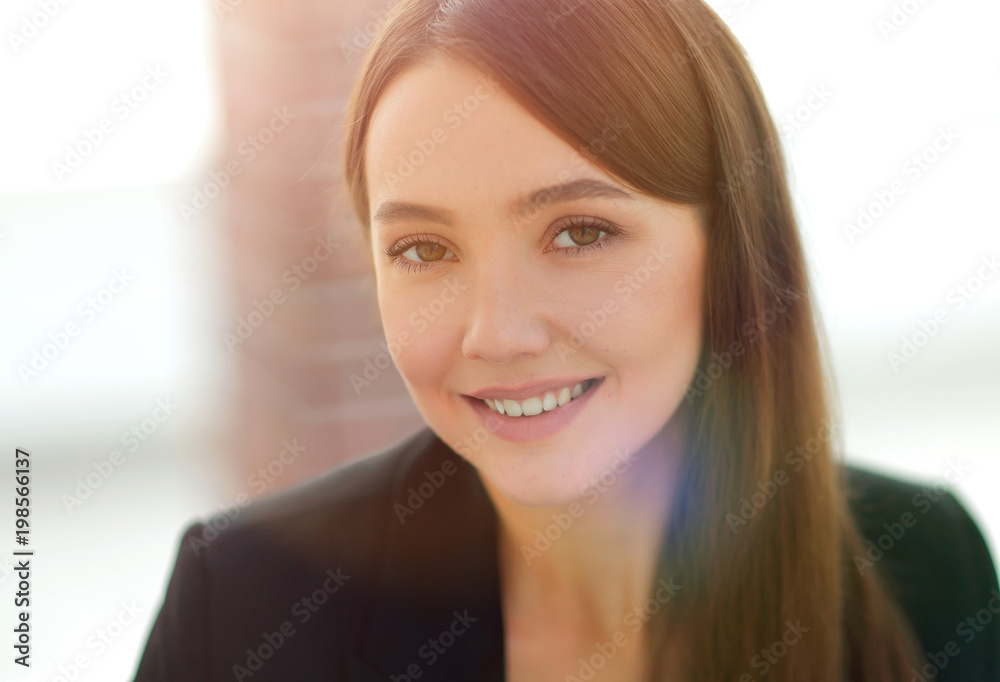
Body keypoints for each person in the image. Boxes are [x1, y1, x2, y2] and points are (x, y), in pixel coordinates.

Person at [133, 0, 1000, 680]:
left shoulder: (924, 565)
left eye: (580, 233)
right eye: (423, 250)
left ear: (731, 243)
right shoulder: (243, 611)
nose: (497, 332)